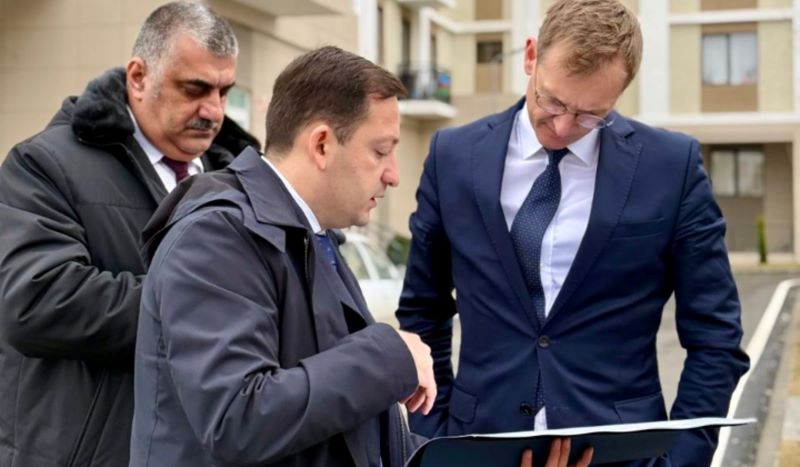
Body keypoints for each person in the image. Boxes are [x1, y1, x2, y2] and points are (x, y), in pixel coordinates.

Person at [129, 45, 591, 467]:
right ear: (322, 144)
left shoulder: (310, 237)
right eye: (380, 151)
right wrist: (390, 354)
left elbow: (355, 436)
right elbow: (238, 419)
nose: (393, 175)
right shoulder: (215, 236)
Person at [396, 1, 750, 466]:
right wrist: (434, 437)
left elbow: (716, 337)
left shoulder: (671, 167)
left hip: (621, 458)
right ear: (530, 57)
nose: (563, 127)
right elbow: (423, 313)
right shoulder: (453, 157)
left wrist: (677, 460)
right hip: (479, 448)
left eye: (590, 115)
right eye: (553, 102)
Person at [0, 2, 255, 466]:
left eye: (224, 91)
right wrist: (203, 305)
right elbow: (34, 301)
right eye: (195, 89)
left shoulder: (241, 181)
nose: (214, 110)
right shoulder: (43, 164)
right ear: (138, 77)